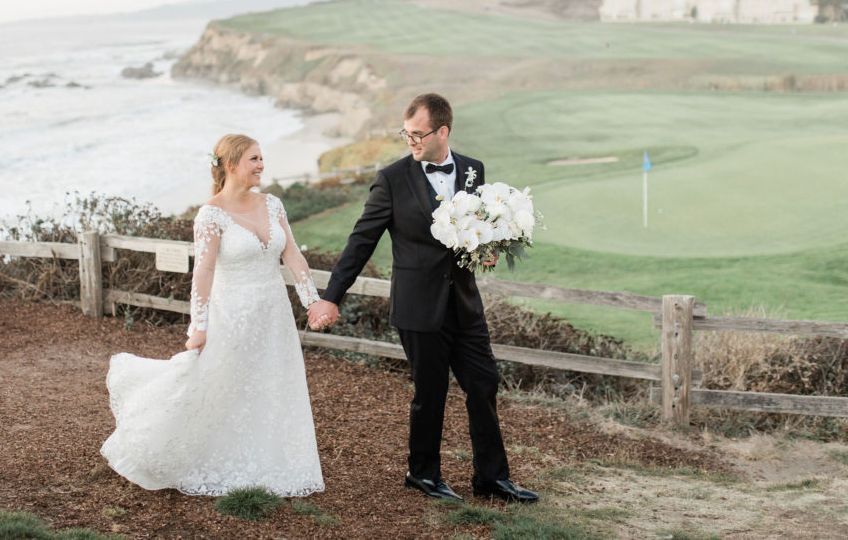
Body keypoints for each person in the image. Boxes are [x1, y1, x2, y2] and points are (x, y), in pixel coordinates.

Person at [307, 93, 538, 504]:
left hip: (465, 303)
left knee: (483, 385)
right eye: (406, 133)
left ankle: (492, 478)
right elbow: (362, 240)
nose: (410, 141)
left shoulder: (472, 169)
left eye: (418, 134)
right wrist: (331, 297)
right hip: (417, 306)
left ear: (443, 131)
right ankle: (423, 473)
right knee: (429, 393)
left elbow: (476, 226)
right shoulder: (392, 178)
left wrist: (488, 247)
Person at [101, 134, 324, 497]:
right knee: (224, 390)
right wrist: (198, 327)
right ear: (232, 165)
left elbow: (293, 255)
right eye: (254, 159)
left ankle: (273, 461)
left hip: (273, 317)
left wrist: (311, 301)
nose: (261, 165)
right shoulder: (210, 214)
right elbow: (203, 272)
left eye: (262, 158)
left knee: (273, 385)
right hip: (231, 316)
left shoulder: (273, 205)